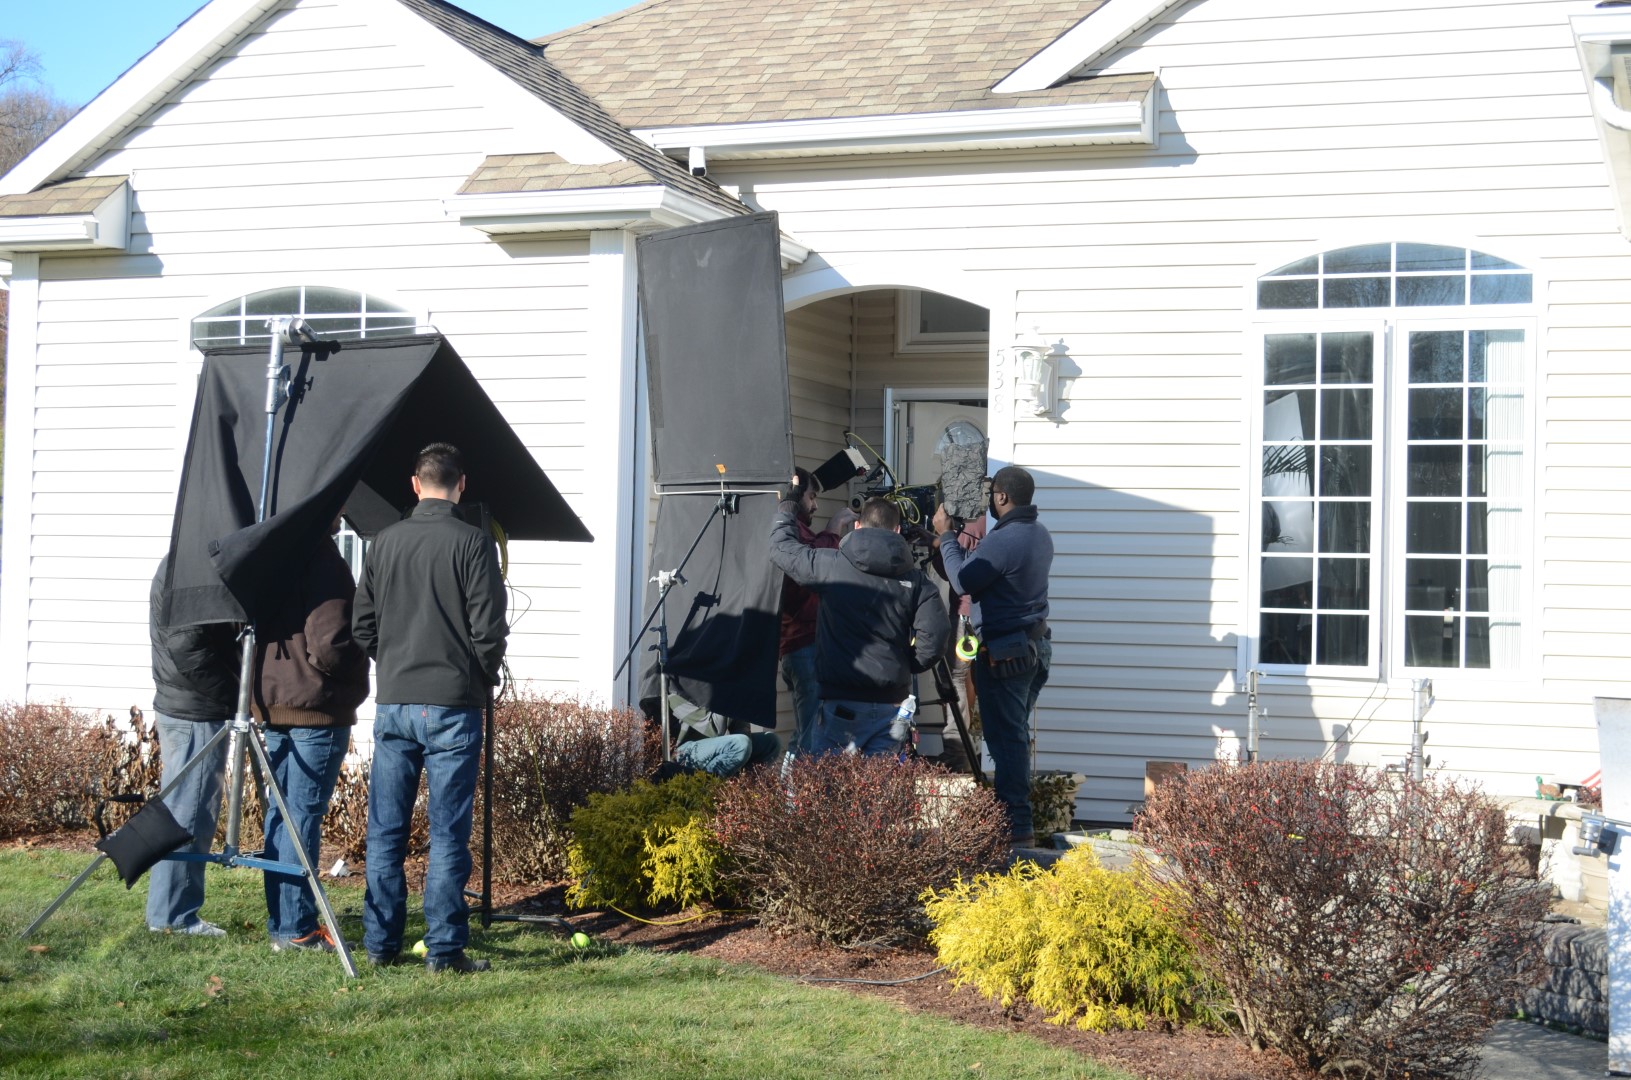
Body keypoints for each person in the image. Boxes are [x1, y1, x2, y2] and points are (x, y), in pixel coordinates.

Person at [354, 443, 507, 973]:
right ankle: (443, 950)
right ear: (460, 484)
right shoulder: (472, 542)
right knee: (446, 834)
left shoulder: (384, 543)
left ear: (415, 485)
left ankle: (379, 945)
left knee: (387, 832)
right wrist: (480, 676)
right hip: (451, 704)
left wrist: (393, 662)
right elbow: (488, 630)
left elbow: (362, 626)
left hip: (395, 701)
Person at [253, 518, 369, 953]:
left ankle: (283, 925)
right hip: (315, 706)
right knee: (300, 817)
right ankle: (296, 930)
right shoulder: (323, 560)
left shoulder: (268, 556)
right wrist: (360, 669)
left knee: (280, 815)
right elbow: (332, 641)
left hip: (272, 699)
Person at [769, 483, 949, 756]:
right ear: (897, 531)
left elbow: (781, 549)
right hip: (892, 704)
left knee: (829, 789)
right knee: (881, 791)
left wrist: (788, 507)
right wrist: (907, 663)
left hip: (841, 701)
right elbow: (936, 635)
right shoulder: (916, 581)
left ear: (857, 528)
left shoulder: (831, 565)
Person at [934, 465, 1054, 847]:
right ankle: (1013, 822)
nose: (990, 498)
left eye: (993, 492)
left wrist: (946, 537)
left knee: (1007, 742)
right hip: (1032, 648)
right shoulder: (1038, 533)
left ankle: (1016, 829)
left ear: (1002, 497)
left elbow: (964, 581)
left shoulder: (1006, 539)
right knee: (1010, 737)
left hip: (1008, 654)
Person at [146, 556, 240, 937]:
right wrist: (235, 696)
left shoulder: (183, 564)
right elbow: (188, 646)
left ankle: (168, 913)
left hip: (183, 704)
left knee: (183, 809)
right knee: (188, 812)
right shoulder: (188, 569)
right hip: (194, 709)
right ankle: (174, 917)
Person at [776, 467, 850, 756]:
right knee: (811, 735)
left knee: (806, 733)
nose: (815, 504)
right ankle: (797, 800)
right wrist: (833, 529)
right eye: (811, 496)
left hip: (805, 646)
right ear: (795, 496)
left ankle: (789, 797)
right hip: (802, 646)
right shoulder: (788, 532)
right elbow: (810, 566)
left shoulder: (798, 531)